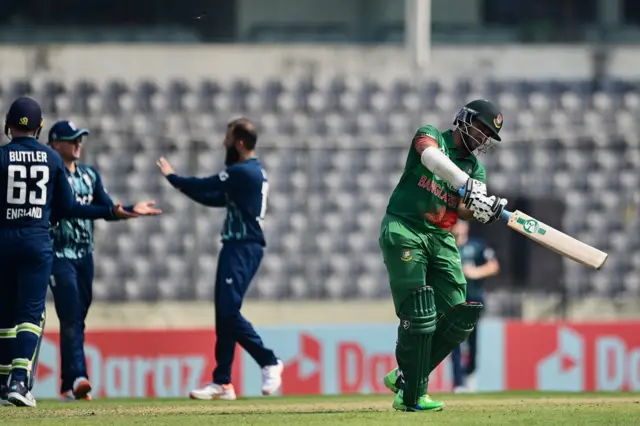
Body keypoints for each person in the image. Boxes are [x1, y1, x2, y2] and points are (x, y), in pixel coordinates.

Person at [0, 98, 139, 407]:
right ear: (38, 128)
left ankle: (2, 380)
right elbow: (67, 206)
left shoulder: (1, 156)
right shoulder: (50, 159)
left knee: (5, 314)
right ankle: (19, 382)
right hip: (37, 241)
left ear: (8, 125)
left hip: (3, 240)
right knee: (30, 314)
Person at [379, 99, 507, 412]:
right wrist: (466, 186)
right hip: (405, 227)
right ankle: (413, 396)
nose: (482, 138)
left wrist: (483, 210)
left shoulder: (475, 167)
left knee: (459, 319)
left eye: (488, 135)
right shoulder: (432, 135)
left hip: (441, 236)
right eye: (481, 128)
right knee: (419, 311)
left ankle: (406, 376)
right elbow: (429, 157)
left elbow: (464, 209)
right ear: (465, 119)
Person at [157, 117, 283, 400]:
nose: (223, 143)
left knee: (228, 312)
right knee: (224, 313)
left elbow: (207, 184)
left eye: (227, 138)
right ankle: (223, 382)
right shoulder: (250, 172)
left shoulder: (243, 172)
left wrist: (173, 177)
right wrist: (182, 187)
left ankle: (269, 361)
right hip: (237, 246)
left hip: (243, 246)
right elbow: (215, 197)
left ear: (238, 143)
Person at [47, 120, 162, 401]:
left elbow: (106, 207)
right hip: (58, 254)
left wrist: (130, 210)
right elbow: (73, 209)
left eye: (80, 139)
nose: (78, 144)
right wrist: (113, 210)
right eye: (72, 139)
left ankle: (67, 386)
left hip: (85, 255)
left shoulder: (89, 175)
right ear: (54, 144)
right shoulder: (50, 174)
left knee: (78, 317)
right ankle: (79, 378)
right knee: (72, 314)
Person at [450, 220, 499, 393]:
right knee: (453, 342)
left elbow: (493, 266)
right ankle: (458, 382)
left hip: (474, 300)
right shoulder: (446, 246)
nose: (458, 227)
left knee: (472, 341)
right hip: (453, 302)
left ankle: (470, 373)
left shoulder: (477, 245)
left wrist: (475, 272)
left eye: (461, 223)